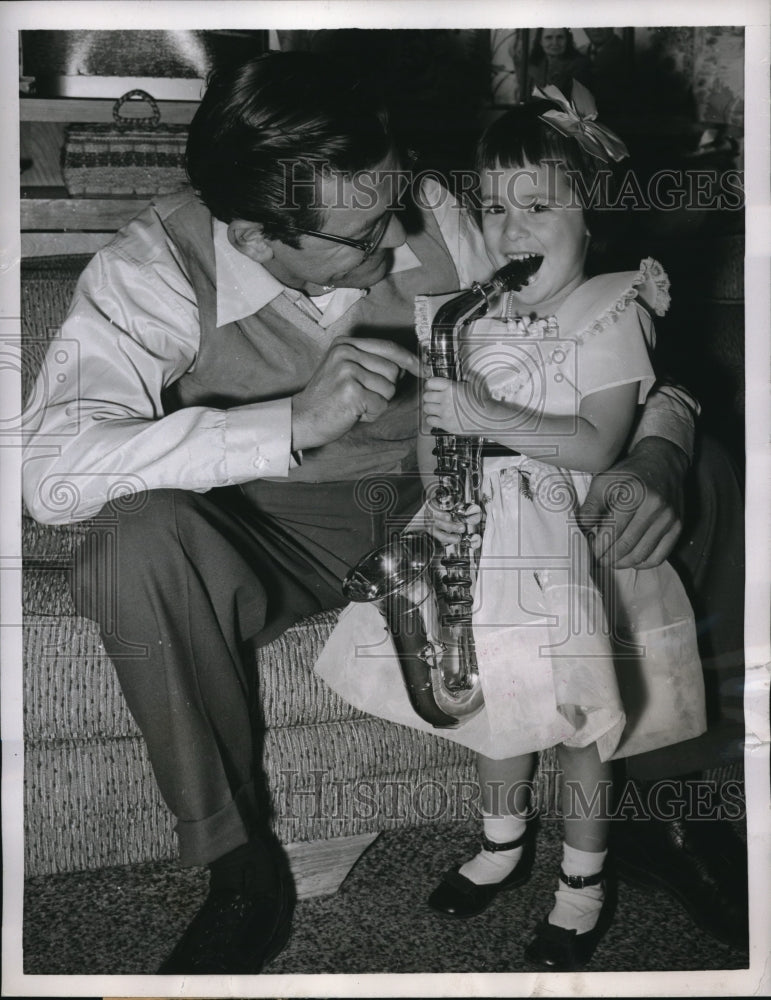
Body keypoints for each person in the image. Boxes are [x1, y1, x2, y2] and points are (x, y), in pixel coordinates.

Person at [21, 52, 743, 974]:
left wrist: (663, 438)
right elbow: (46, 475)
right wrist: (288, 422)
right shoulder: (151, 269)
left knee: (699, 468)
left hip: (452, 496)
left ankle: (661, 811)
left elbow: (598, 329)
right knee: (126, 551)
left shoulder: (436, 202)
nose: (400, 232)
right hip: (267, 524)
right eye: (364, 235)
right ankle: (241, 868)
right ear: (252, 236)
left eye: (397, 193)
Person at [314, 88, 711, 971]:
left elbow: (598, 440)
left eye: (538, 206)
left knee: (575, 730)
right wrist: (438, 489)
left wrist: (486, 411)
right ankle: (499, 844)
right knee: (490, 711)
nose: (509, 229)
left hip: (568, 549)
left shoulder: (613, 308)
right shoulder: (465, 316)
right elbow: (432, 436)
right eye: (494, 207)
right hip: (480, 539)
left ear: (591, 216)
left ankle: (582, 882)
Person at [527, 28, 591, 97]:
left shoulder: (580, 66)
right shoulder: (532, 66)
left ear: (567, 40)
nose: (555, 43)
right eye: (549, 38)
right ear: (540, 41)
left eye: (560, 37)